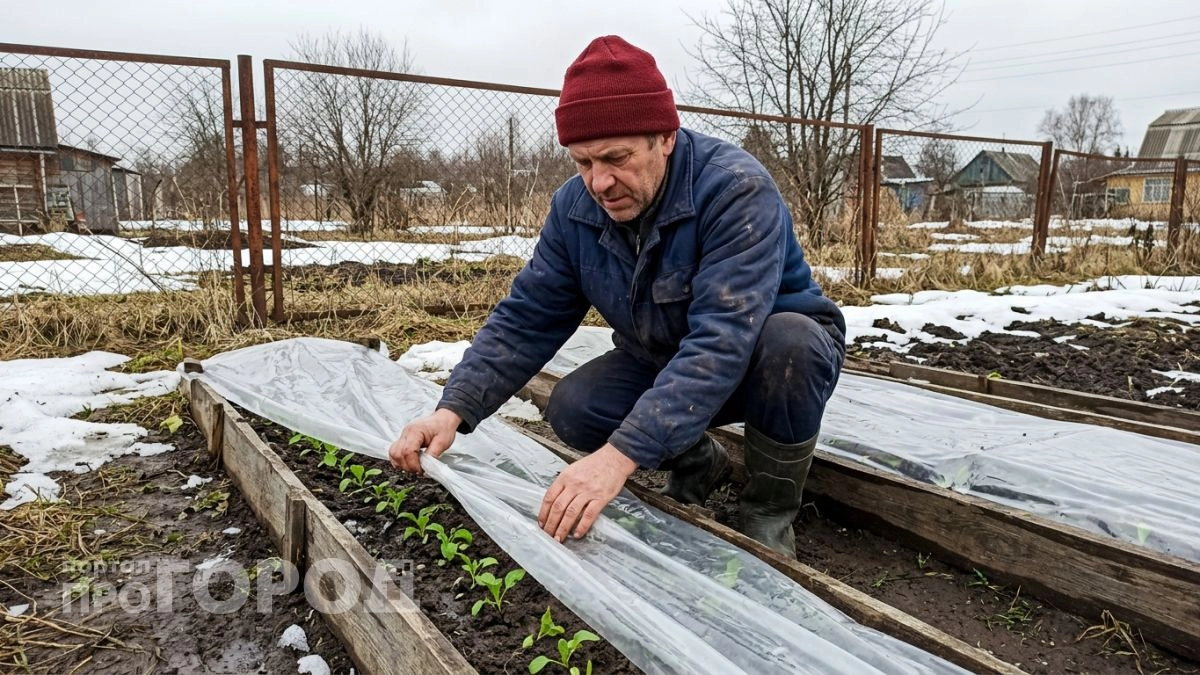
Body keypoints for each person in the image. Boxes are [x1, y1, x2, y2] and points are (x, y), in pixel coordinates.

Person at [389, 35, 845, 559]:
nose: (599, 182)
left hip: (763, 361)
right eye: (583, 162)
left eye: (616, 158)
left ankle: (767, 509)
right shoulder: (574, 208)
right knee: (576, 407)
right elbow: (528, 317)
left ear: (665, 137)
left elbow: (723, 339)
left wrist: (621, 455)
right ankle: (699, 461)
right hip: (662, 357)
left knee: (793, 342)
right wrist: (451, 410)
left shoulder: (735, 190)